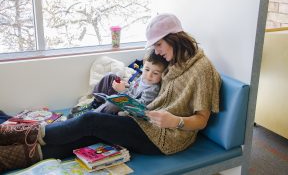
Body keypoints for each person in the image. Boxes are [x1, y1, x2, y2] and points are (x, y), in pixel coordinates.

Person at [0, 13, 221, 172]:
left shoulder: (203, 70)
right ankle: (14, 156)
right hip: (147, 122)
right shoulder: (173, 60)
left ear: (175, 38)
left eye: (159, 44)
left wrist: (175, 121)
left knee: (90, 121)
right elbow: (150, 91)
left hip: (167, 138)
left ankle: (22, 133)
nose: (157, 51)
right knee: (89, 135)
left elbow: (201, 120)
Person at [68, 50, 168, 118]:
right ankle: (95, 103)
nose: (149, 75)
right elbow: (133, 88)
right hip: (125, 96)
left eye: (155, 73)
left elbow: (140, 107)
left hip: (128, 109)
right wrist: (126, 85)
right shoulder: (142, 78)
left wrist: (123, 91)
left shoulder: (153, 89)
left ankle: (90, 116)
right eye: (147, 69)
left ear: (162, 74)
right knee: (110, 77)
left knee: (112, 103)